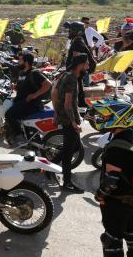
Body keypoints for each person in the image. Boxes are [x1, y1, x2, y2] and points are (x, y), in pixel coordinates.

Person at [95, 108, 133, 257]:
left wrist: (99, 195)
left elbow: (112, 180)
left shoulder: (116, 147)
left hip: (118, 203)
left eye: (108, 116)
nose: (103, 118)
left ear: (119, 118)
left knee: (111, 240)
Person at [52, 54, 89, 193]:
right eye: (86, 64)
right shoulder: (72, 79)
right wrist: (74, 123)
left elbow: (54, 93)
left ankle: (49, 166)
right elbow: (68, 105)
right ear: (80, 65)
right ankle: (67, 182)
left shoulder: (65, 75)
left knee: (75, 147)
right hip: (69, 119)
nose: (88, 66)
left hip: (64, 117)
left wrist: (56, 112)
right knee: (68, 153)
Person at [4, 52, 52, 147]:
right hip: (21, 101)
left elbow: (48, 84)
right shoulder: (22, 73)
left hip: (30, 103)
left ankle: (20, 137)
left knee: (9, 114)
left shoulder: (34, 73)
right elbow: (24, 88)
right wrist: (15, 87)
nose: (19, 61)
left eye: (21, 60)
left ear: (26, 62)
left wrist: (35, 95)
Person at [64, 21, 95, 106]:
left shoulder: (77, 42)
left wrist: (66, 71)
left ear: (77, 32)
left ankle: (80, 110)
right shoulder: (77, 40)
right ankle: (81, 107)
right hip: (78, 71)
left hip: (77, 71)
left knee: (75, 94)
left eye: (70, 30)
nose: (69, 32)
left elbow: (76, 60)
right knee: (79, 91)